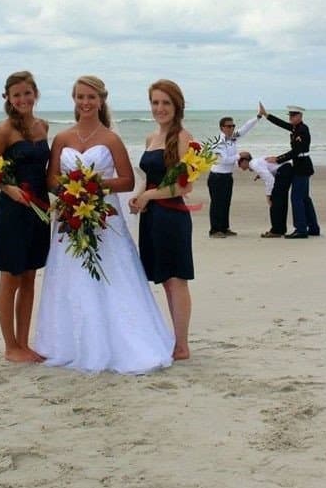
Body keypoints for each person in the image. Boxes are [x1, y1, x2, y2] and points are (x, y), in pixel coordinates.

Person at [35, 76, 174, 374]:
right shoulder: (62, 138)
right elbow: (51, 179)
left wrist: (94, 186)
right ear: (74, 100)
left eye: (91, 97)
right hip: (70, 217)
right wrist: (70, 192)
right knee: (71, 278)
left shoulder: (110, 139)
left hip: (105, 220)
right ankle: (70, 345)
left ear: (101, 100)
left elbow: (127, 180)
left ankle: (123, 343)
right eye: (80, 97)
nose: (85, 102)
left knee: (111, 275)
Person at [128, 79, 195, 361]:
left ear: (177, 105)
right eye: (155, 102)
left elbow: (184, 186)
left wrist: (149, 196)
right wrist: (138, 197)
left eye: (166, 102)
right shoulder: (150, 138)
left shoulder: (183, 138)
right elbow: (150, 178)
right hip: (152, 217)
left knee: (176, 279)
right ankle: (174, 341)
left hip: (172, 216)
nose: (160, 108)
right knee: (164, 279)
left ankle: (182, 345)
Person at [0, 70, 50, 363]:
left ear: (35, 93)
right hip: (13, 211)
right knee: (10, 277)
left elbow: (47, 172)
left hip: (40, 208)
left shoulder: (43, 126)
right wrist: (9, 189)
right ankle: (10, 346)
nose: (23, 99)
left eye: (27, 93)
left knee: (29, 277)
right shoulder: (4, 131)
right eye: (16, 95)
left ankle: (24, 343)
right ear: (8, 98)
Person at [258, 102, 320, 239]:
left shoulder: (302, 130)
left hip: (302, 167)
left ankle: (301, 229)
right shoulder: (296, 128)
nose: (291, 117)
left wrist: (278, 159)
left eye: (293, 115)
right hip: (301, 166)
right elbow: (281, 124)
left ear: (300, 116)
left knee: (297, 198)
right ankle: (313, 227)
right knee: (305, 198)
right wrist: (266, 115)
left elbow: (296, 151)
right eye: (290, 115)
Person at [207, 111, 261, 237]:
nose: (231, 128)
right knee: (217, 203)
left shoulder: (232, 138)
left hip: (227, 176)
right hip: (217, 177)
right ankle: (214, 230)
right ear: (222, 128)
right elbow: (224, 160)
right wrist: (239, 156)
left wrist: (258, 117)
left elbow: (245, 129)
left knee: (226, 203)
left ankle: (224, 228)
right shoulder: (218, 142)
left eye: (233, 126)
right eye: (228, 126)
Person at [238, 153, 293, 237]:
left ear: (245, 161)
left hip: (283, 171)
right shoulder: (256, 162)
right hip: (286, 169)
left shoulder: (254, 164)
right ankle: (280, 229)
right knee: (281, 202)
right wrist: (261, 175)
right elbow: (269, 169)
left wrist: (268, 196)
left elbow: (269, 180)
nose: (239, 167)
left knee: (275, 202)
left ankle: (276, 231)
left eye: (239, 163)